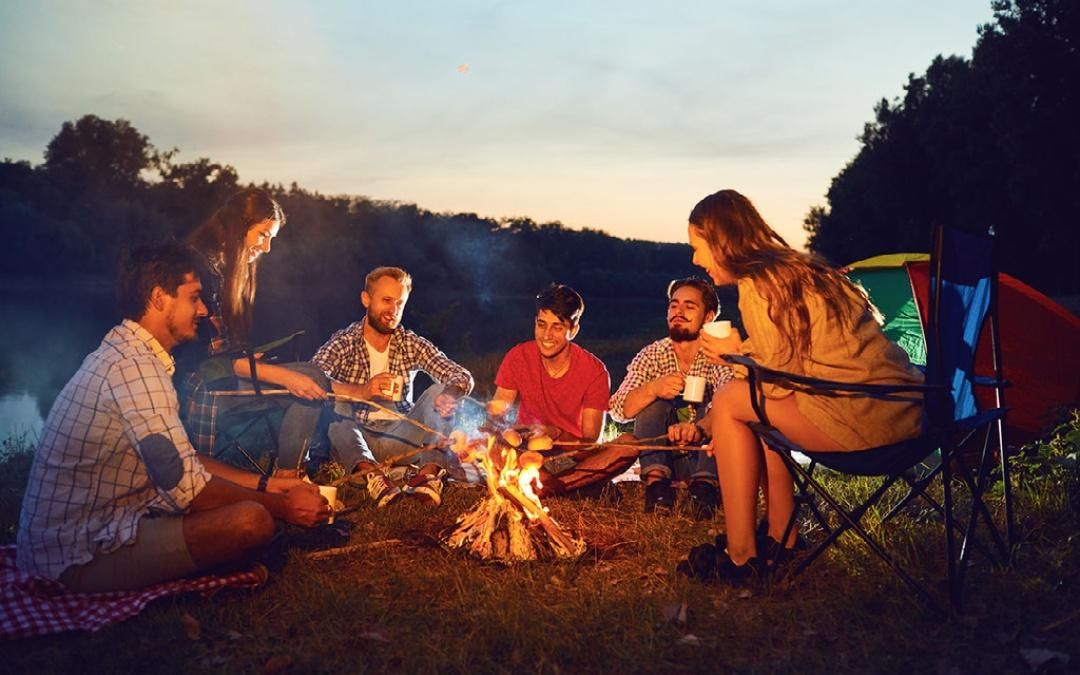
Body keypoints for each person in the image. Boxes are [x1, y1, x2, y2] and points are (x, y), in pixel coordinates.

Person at [16, 243, 328, 593]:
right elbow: (190, 491)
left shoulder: (129, 352)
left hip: (91, 531)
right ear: (159, 297)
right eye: (194, 297)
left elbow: (184, 462)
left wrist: (263, 484)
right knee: (251, 521)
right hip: (76, 559)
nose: (204, 309)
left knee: (250, 506)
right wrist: (285, 507)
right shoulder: (135, 369)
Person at [684, 189, 924, 584]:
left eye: (699, 247)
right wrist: (747, 354)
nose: (696, 259)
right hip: (900, 412)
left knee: (730, 402)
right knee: (751, 405)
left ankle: (742, 558)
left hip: (862, 422)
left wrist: (733, 354)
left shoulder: (759, 286)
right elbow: (791, 362)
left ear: (722, 241)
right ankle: (783, 537)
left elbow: (777, 384)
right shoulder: (797, 271)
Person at [177, 188, 328, 469]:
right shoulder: (198, 270)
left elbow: (223, 350)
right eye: (263, 234)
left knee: (313, 374)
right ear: (239, 226)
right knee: (312, 380)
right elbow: (203, 358)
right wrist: (281, 377)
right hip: (204, 387)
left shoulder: (222, 270)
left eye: (271, 238)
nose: (266, 247)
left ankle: (288, 471)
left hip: (226, 374)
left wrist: (248, 357)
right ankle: (287, 475)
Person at [312, 266, 474, 508]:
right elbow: (312, 380)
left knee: (436, 392)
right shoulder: (344, 342)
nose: (393, 310)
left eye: (400, 304)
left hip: (401, 436)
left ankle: (428, 476)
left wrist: (449, 396)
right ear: (366, 299)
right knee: (337, 400)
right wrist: (362, 391)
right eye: (386, 301)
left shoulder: (409, 342)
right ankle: (372, 475)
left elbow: (460, 375)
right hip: (355, 438)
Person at [491, 283, 637, 497]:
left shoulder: (595, 372)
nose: (546, 335)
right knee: (492, 447)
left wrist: (556, 433)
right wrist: (507, 428)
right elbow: (496, 416)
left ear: (573, 330)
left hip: (569, 455)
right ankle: (580, 486)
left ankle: (552, 485)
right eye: (541, 325)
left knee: (629, 445)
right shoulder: (518, 357)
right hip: (526, 450)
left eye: (557, 327)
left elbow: (588, 444)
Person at [609, 277, 734, 518]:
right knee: (651, 403)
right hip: (666, 458)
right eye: (674, 305)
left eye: (690, 306)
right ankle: (657, 489)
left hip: (707, 456)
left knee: (721, 402)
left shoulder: (717, 355)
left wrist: (699, 428)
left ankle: (704, 491)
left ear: (708, 317)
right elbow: (617, 410)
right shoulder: (653, 354)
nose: (679, 311)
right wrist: (652, 389)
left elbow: (731, 399)